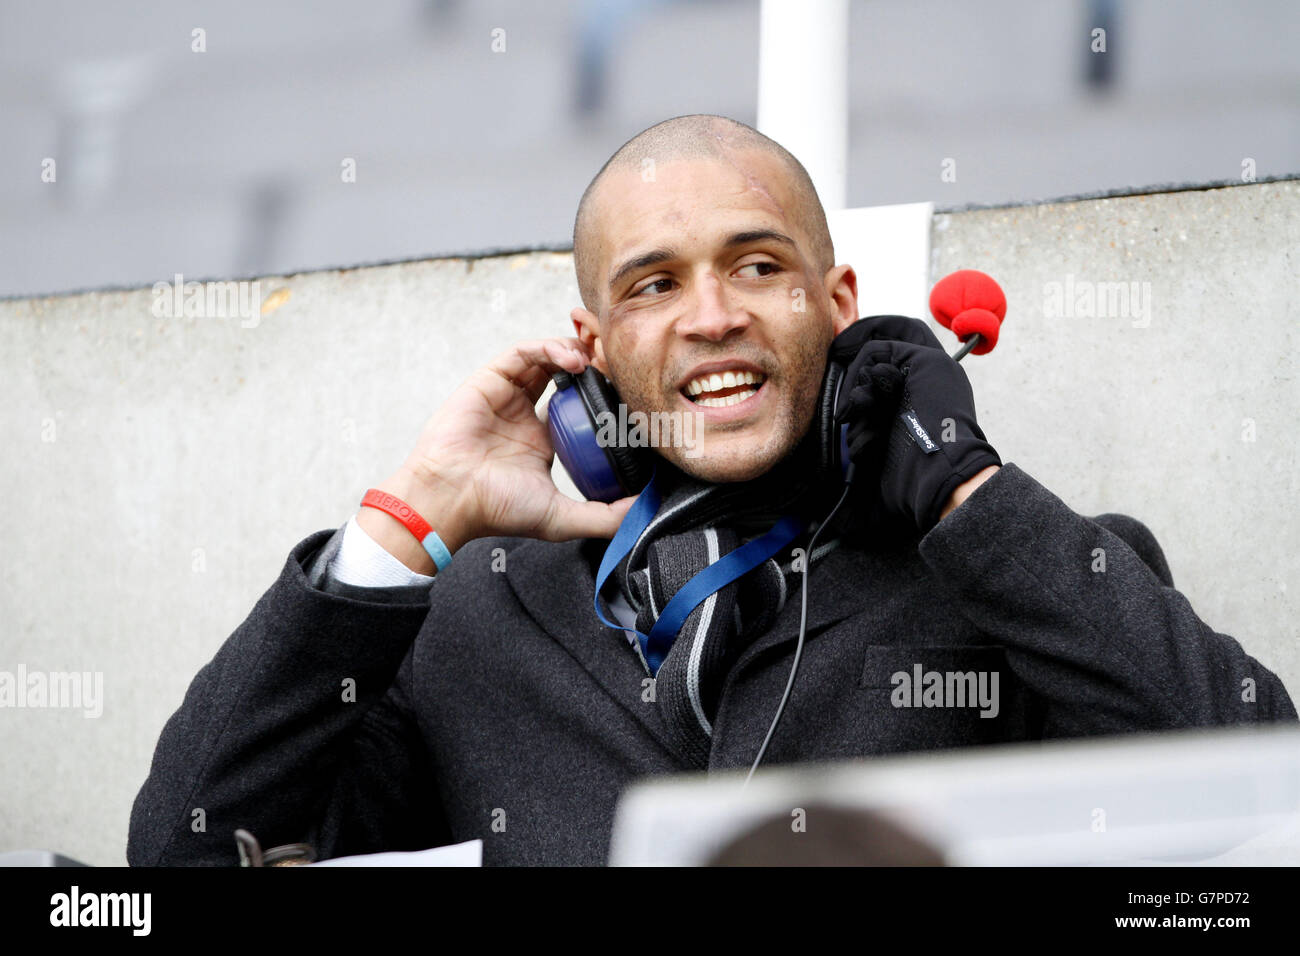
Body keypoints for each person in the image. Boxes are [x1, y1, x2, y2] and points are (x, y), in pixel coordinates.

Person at [128, 114, 1296, 867]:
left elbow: (1255, 783)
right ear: (591, 344)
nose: (711, 315)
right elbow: (175, 853)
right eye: (653, 284)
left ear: (840, 304)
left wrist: (967, 498)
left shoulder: (1008, 567)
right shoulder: (472, 622)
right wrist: (408, 518)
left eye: (756, 265)